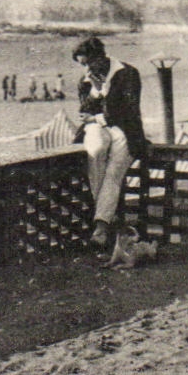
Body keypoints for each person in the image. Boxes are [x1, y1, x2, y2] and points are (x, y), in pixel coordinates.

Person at [72, 36, 151, 267]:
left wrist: (101, 100)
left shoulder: (127, 74)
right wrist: (96, 93)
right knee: (95, 152)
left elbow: (128, 110)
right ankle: (106, 220)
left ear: (101, 57)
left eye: (89, 63)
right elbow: (83, 111)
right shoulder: (86, 81)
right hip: (100, 128)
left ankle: (101, 226)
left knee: (114, 171)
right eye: (82, 65)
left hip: (126, 131)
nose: (86, 69)